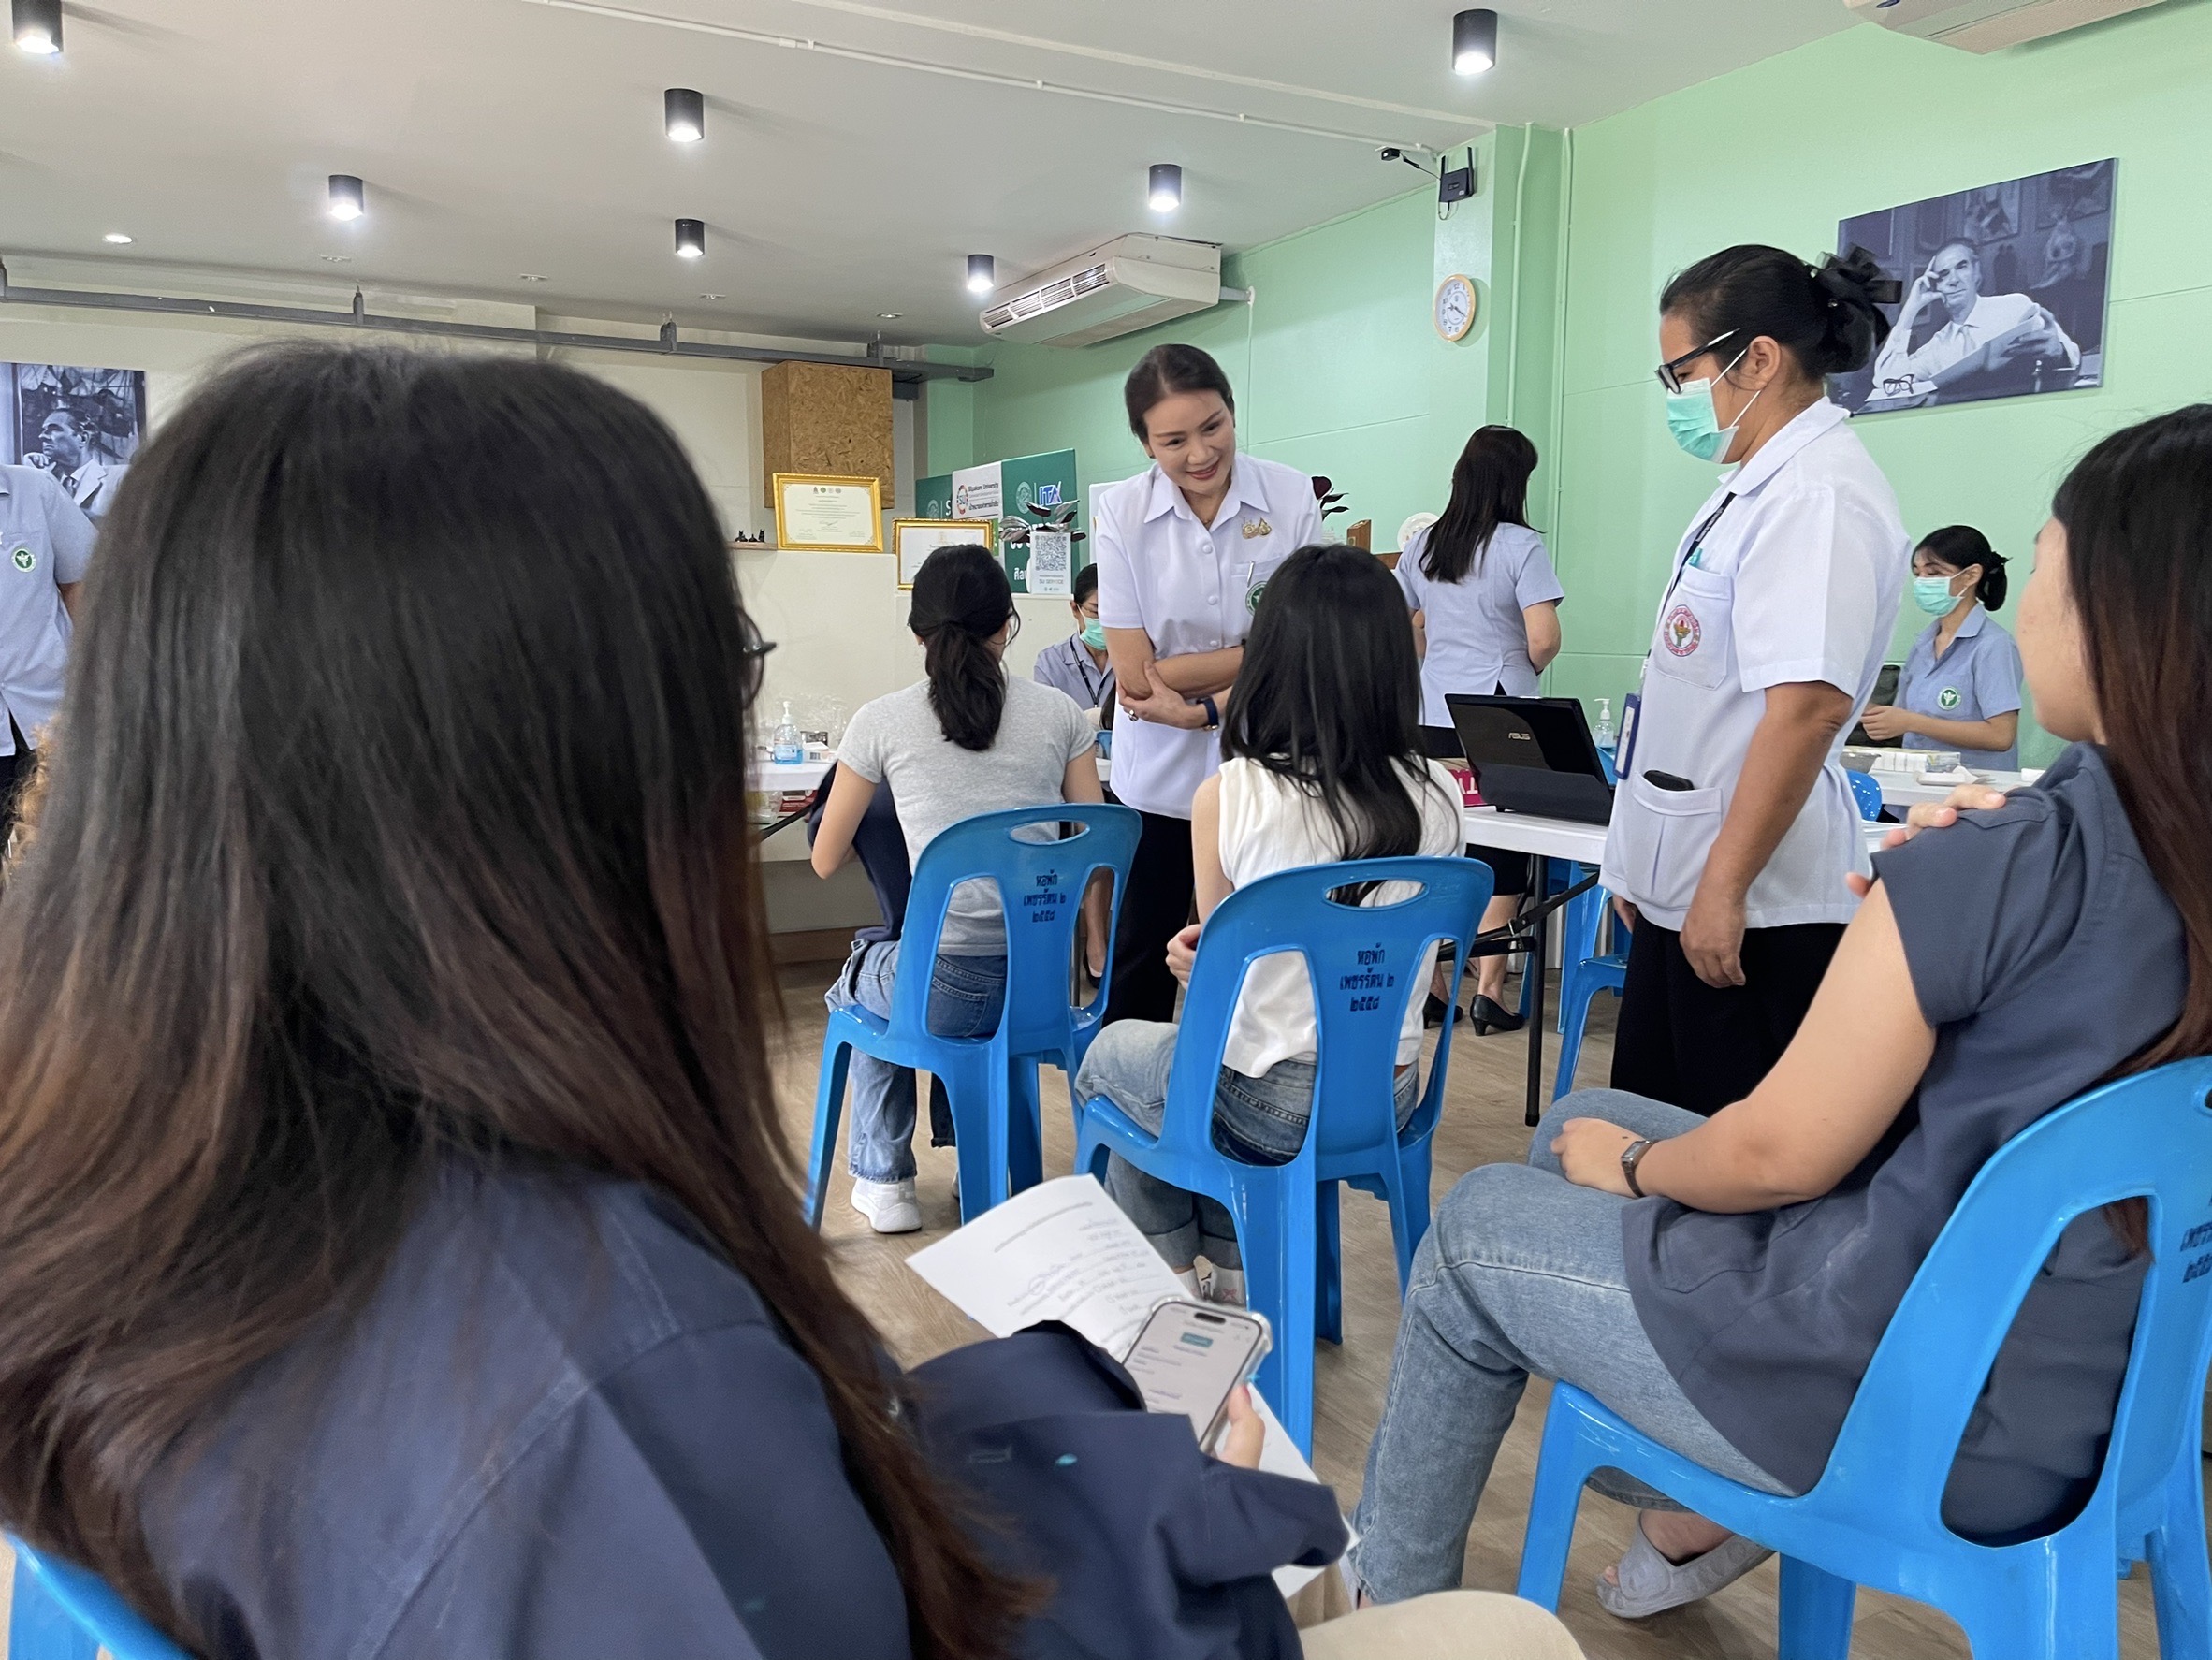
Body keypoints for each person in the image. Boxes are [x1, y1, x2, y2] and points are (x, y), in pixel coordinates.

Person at [1350, 401, 2212, 1621]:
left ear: (2125, 612)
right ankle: (1683, 1510)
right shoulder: (2118, 852)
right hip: (2100, 1389)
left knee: (1480, 1223)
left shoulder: (1989, 865)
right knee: (1578, 1120)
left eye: (2046, 570)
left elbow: (1781, 1153)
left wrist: (1638, 1167)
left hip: (1903, 1397)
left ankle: (1386, 1600)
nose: (2026, 611)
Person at [1076, 545, 1463, 1302]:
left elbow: (1220, 986)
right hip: (1387, 1096)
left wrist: (1198, 961)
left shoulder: (1232, 793)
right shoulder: (1442, 793)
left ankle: (1181, 1287)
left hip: (1267, 1104)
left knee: (1115, 1067)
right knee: (1168, 1088)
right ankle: (1231, 1272)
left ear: (1272, 659)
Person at [1600, 244, 1910, 1118]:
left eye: (1682, 372)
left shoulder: (1817, 496)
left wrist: (1722, 887)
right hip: (1687, 886)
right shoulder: (1751, 488)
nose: (1676, 395)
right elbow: (1694, 703)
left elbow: (1807, 710)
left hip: (1757, 912)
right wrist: (1640, 866)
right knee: (1650, 1134)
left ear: (1759, 358)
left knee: (1713, 1153)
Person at [812, 544, 1105, 1233]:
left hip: (943, 986)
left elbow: (825, 859)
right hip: (1040, 984)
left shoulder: (881, 720)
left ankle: (886, 1182)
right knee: (904, 969)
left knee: (866, 973)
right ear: (1007, 623)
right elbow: (1093, 848)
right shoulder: (1062, 715)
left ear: (919, 634)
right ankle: (985, 1166)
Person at [1093, 342, 1321, 1026]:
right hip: (1157, 777)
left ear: (1232, 410)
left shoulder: (1289, 498)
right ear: (1145, 443)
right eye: (1173, 441)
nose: (1200, 453)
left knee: (1266, 958)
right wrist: (1260, 649)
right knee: (1142, 956)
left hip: (1268, 763)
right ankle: (1128, 1089)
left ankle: (1246, 1084)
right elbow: (1134, 676)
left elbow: (1309, 644)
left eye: (1213, 426)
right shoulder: (1122, 513)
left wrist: (1206, 702)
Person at [1395, 424, 1564, 1030]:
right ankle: (1490, 991)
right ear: (1516, 483)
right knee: (1504, 848)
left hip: (1432, 715)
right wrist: (1518, 670)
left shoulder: (1424, 546)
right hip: (1499, 715)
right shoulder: (1521, 545)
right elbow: (1544, 639)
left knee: (1436, 841)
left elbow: (1399, 621)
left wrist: (1436, 661)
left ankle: (1434, 988)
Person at [1858, 525, 2024, 769]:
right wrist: (1866, 712)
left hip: (1974, 787)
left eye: (1934, 573)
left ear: (1970, 575)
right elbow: (1903, 719)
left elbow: (2000, 736)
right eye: (1918, 574)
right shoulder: (1923, 644)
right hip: (1916, 783)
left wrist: (1912, 722)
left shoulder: (1993, 645)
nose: (1922, 582)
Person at [0, 456, 94, 832]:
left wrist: (91, 674)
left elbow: (79, 582)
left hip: (48, 710)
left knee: (62, 838)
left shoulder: (34, 489)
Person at [1870, 240, 2080, 404]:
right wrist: (1910, 310)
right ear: (1937, 286)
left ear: (1976, 271)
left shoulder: (2014, 306)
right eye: (1943, 275)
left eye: (1961, 267)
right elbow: (1886, 382)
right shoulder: (1935, 347)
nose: (1953, 280)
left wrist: (2059, 352)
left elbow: (2073, 354)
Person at [1030, 561, 1111, 714]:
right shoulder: (1051, 663)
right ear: (1075, 608)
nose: (1106, 621)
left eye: (1113, 613)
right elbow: (1046, 720)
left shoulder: (1135, 658)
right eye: (1096, 612)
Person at [37, 403, 128, 519]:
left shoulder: (119, 477)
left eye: (53, 429)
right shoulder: (46, 482)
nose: (42, 436)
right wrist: (33, 474)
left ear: (83, 438)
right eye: (43, 430)